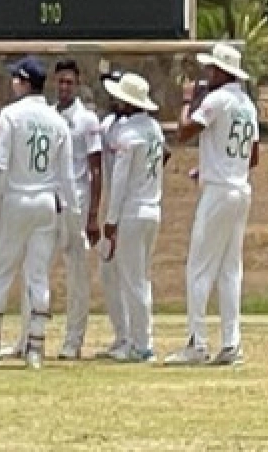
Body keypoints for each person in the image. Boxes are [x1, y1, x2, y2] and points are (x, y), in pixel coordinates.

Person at [166, 43, 259, 367]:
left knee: (199, 268)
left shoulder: (217, 100)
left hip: (219, 191)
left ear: (222, 72)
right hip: (239, 187)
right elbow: (253, 156)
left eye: (211, 69)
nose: (207, 74)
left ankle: (197, 342)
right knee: (230, 270)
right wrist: (211, 167)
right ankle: (231, 342)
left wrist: (187, 101)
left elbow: (184, 132)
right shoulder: (248, 104)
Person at [0, 56, 75, 369]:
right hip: (46, 201)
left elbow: (0, 167)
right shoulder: (57, 120)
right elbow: (67, 178)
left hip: (17, 199)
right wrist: (70, 221)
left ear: (23, 82)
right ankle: (35, 348)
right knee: (38, 276)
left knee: (2, 272)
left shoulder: (11, 115)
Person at [100, 72, 165, 363]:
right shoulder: (154, 129)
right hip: (152, 207)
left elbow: (119, 181)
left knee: (132, 280)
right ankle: (138, 340)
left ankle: (141, 344)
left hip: (133, 212)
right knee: (140, 278)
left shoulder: (129, 134)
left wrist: (111, 220)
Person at [51, 60, 103, 359]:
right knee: (37, 267)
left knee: (76, 273)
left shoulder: (87, 120)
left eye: (69, 82)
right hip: (49, 202)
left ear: (78, 83)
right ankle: (28, 338)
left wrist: (93, 215)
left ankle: (74, 340)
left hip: (77, 204)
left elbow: (96, 170)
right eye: (60, 82)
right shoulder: (48, 115)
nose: (64, 87)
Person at [97, 69, 130, 358]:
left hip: (125, 208)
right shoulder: (108, 123)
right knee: (109, 273)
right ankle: (122, 335)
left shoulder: (135, 127)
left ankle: (132, 337)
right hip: (113, 201)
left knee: (128, 274)